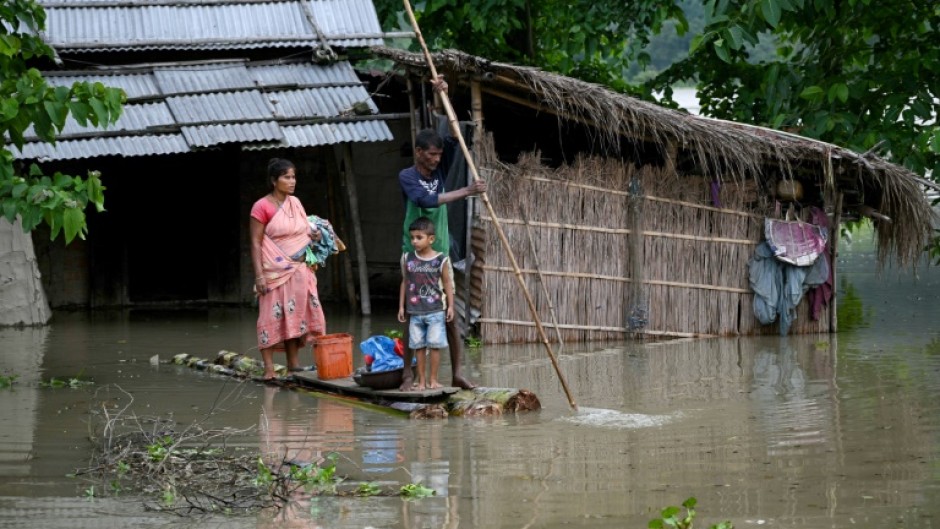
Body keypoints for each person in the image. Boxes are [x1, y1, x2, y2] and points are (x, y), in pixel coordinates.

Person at [398, 76, 487, 390]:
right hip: (414, 252)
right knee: (414, 310)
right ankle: (409, 374)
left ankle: (457, 373)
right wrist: (466, 190)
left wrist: (444, 95)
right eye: (431, 155)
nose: (437, 160)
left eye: (438, 155)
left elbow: (454, 138)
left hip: (441, 253)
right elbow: (425, 200)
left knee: (450, 310)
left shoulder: (439, 168)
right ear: (419, 152)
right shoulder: (408, 176)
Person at [250, 158, 326, 380]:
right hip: (273, 271)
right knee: (269, 316)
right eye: (286, 177)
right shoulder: (261, 206)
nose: (292, 181)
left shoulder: (296, 202)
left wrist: (316, 235)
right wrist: (259, 276)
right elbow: (255, 242)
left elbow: (304, 231)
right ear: (274, 181)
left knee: (293, 315)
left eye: (293, 177)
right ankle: (269, 369)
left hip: (299, 269)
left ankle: (294, 364)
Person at [398, 217, 454, 390]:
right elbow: (404, 282)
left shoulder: (441, 260)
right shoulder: (408, 258)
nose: (414, 241)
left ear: (431, 239)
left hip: (436, 310)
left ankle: (433, 380)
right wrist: (401, 306)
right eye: (412, 237)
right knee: (419, 347)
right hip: (415, 311)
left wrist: (450, 306)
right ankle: (421, 381)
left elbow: (446, 283)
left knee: (435, 346)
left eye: (419, 237)